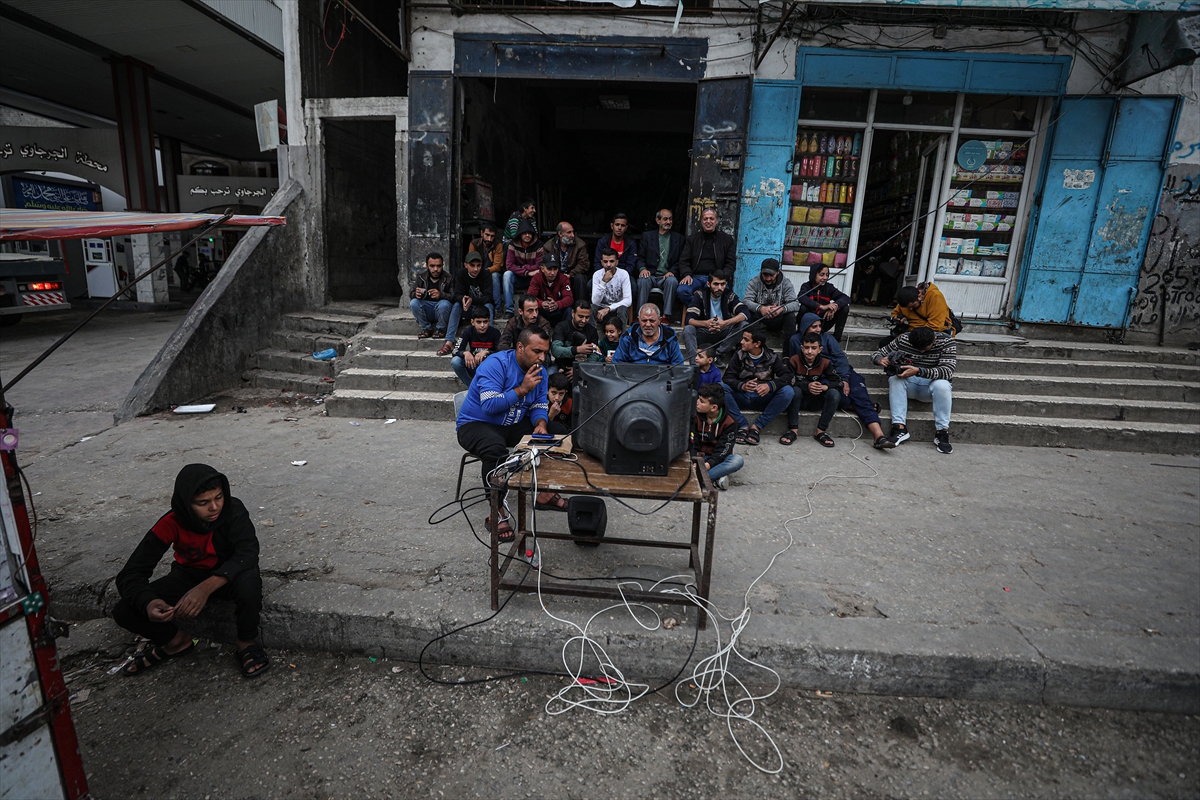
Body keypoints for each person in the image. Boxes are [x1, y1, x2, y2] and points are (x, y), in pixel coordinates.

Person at [112, 464, 267, 678]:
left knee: (249, 583)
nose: (214, 507)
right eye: (203, 503)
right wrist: (148, 602)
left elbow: (247, 553)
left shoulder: (233, 510)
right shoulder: (171, 523)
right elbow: (130, 574)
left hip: (230, 575)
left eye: (219, 497)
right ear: (186, 504)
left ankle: (246, 642)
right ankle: (177, 642)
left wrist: (204, 589)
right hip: (188, 575)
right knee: (124, 610)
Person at [456, 328, 569, 539]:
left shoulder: (541, 371)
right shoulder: (495, 364)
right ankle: (496, 511)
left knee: (558, 434)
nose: (542, 358)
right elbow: (489, 405)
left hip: (512, 422)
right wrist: (523, 389)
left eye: (545, 352)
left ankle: (545, 494)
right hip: (476, 423)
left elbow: (538, 404)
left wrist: (541, 423)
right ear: (520, 347)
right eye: (537, 351)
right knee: (495, 450)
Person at [790, 313, 896, 450]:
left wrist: (844, 378)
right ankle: (858, 407)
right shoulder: (796, 340)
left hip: (843, 372)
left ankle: (879, 436)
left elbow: (841, 359)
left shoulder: (828, 338)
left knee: (859, 393)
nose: (818, 329)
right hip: (823, 374)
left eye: (819, 326)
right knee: (840, 398)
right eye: (814, 326)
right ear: (805, 327)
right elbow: (796, 362)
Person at [873, 326, 957, 454]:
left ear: (934, 339)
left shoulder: (946, 342)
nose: (921, 351)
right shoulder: (904, 339)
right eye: (917, 348)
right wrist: (880, 359)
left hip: (930, 386)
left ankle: (942, 432)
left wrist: (918, 371)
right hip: (909, 384)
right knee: (894, 379)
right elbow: (877, 353)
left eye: (925, 348)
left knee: (943, 385)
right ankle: (899, 427)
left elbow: (947, 371)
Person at [722, 329, 794, 446]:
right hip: (742, 397)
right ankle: (742, 425)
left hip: (763, 398)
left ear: (757, 343)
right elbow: (727, 378)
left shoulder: (771, 357)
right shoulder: (739, 355)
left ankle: (756, 427)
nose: (741, 342)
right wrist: (742, 386)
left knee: (788, 391)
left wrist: (770, 385)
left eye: (746, 340)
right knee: (721, 387)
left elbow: (789, 377)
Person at [784, 332, 843, 448]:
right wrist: (807, 386)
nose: (809, 351)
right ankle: (793, 430)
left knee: (834, 394)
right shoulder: (794, 360)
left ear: (820, 349)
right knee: (794, 391)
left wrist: (825, 387)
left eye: (814, 348)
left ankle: (820, 431)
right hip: (798, 400)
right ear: (802, 348)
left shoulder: (825, 362)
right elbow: (786, 381)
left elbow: (839, 382)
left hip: (815, 400)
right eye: (806, 348)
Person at [682, 270, 748, 364]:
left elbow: (745, 313)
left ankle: (718, 354)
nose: (719, 288)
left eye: (722, 284)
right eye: (716, 284)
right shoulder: (700, 295)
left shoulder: (729, 295)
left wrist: (724, 323)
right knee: (688, 329)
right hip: (704, 332)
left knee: (744, 325)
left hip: (724, 333)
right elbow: (689, 319)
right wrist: (706, 323)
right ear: (708, 284)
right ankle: (694, 363)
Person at [677, 207, 735, 308]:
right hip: (695, 277)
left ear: (716, 220)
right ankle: (702, 310)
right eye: (705, 219)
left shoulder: (727, 239)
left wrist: (722, 277)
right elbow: (683, 260)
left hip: (716, 278)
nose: (708, 221)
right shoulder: (692, 239)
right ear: (701, 221)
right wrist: (686, 274)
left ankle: (703, 311)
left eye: (711, 218)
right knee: (682, 290)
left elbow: (731, 263)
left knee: (725, 293)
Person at [440, 251, 495, 355]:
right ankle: (449, 341)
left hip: (481, 309)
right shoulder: (461, 274)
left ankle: (487, 341)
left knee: (489, 306)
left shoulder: (486, 274)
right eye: (472, 265)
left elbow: (489, 297)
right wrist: (463, 299)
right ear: (466, 265)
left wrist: (472, 300)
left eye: (479, 265)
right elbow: (456, 295)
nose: (476, 269)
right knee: (457, 305)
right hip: (468, 309)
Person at [691, 383, 742, 491]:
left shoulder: (730, 422)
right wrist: (695, 461)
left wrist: (707, 465)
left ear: (713, 407)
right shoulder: (694, 416)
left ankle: (698, 478)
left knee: (737, 460)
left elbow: (723, 449)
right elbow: (692, 442)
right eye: (698, 399)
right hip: (698, 456)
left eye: (702, 401)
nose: (697, 402)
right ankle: (715, 478)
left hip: (718, 459)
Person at [743, 258, 800, 353]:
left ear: (778, 272)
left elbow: (795, 304)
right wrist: (760, 308)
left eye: (771, 275)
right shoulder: (754, 282)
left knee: (790, 316)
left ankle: (787, 354)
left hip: (778, 319)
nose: (768, 278)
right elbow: (746, 301)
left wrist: (781, 309)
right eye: (765, 275)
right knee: (746, 313)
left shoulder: (786, 283)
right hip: (760, 318)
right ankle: (746, 350)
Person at [635, 208, 683, 321]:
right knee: (643, 280)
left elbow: (681, 260)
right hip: (650, 275)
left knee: (672, 281)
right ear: (658, 220)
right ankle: (639, 315)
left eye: (670, 219)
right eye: (665, 219)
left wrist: (672, 271)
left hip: (666, 277)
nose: (668, 222)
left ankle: (666, 316)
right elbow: (640, 257)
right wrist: (642, 269)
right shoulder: (647, 236)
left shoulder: (679, 239)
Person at [613, 304, 685, 365]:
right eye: (644, 320)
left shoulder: (670, 338)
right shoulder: (628, 337)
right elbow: (617, 363)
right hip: (633, 376)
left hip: (662, 376)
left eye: (652, 321)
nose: (648, 324)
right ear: (639, 320)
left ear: (659, 321)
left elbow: (678, 366)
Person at [797, 264, 852, 342]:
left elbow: (846, 298)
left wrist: (834, 307)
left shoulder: (829, 287)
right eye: (822, 274)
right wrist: (821, 306)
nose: (825, 278)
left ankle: (836, 339)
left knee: (845, 308)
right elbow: (801, 297)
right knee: (803, 308)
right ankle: (801, 334)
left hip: (823, 321)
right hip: (809, 323)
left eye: (827, 275)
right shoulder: (806, 286)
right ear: (814, 275)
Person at [450, 305, 501, 387]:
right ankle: (472, 387)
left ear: (489, 321)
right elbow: (455, 351)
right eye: (478, 322)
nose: (482, 325)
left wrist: (487, 352)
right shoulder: (468, 332)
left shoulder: (495, 333)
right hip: (474, 364)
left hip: (490, 367)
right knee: (455, 361)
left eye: (485, 322)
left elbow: (501, 353)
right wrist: (465, 353)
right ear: (472, 322)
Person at [543, 221, 591, 306]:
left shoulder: (580, 245)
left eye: (573, 232)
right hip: (555, 275)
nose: (572, 235)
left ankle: (581, 307)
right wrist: (556, 274)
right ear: (560, 234)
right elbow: (543, 264)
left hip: (572, 275)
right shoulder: (548, 246)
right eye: (569, 232)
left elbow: (584, 264)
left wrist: (570, 275)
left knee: (580, 278)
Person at [409, 252, 454, 340]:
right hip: (427, 309)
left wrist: (441, 294)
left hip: (442, 311)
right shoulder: (421, 277)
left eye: (439, 266)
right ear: (427, 265)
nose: (435, 269)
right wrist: (416, 294)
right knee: (414, 303)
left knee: (444, 304)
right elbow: (411, 293)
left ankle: (441, 329)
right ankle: (426, 329)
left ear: (442, 266)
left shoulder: (449, 278)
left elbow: (454, 297)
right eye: (432, 266)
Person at [551, 299, 601, 376]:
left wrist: (579, 369)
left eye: (587, 317)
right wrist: (577, 349)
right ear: (573, 313)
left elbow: (595, 354)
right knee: (549, 374)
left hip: (583, 367)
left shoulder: (592, 331)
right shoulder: (561, 327)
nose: (584, 320)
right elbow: (556, 350)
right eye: (581, 316)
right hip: (562, 365)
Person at [503, 219, 542, 316]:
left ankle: (536, 308)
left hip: (533, 278)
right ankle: (509, 310)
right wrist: (526, 272)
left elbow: (539, 265)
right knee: (507, 275)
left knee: (541, 273)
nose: (527, 235)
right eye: (524, 233)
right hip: (518, 277)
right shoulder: (512, 245)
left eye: (529, 233)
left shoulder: (539, 245)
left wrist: (524, 267)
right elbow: (509, 265)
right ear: (520, 234)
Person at [528, 254, 574, 327]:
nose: (552, 273)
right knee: (532, 308)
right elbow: (530, 297)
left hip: (558, 312)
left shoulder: (563, 279)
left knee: (568, 310)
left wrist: (558, 304)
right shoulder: (536, 278)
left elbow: (569, 298)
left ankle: (566, 332)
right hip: (542, 312)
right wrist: (541, 303)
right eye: (549, 269)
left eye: (555, 269)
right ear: (542, 269)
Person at [469, 223, 505, 315]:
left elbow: (497, 266)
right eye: (487, 235)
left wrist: (485, 272)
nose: (489, 239)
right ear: (482, 233)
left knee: (495, 276)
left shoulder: (498, 245)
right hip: (477, 271)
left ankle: (497, 309)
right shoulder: (474, 244)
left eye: (492, 236)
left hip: (490, 272)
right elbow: (471, 261)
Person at [590, 249, 633, 323]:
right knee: (592, 308)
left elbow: (628, 300)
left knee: (623, 309)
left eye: (611, 261)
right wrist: (603, 282)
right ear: (601, 262)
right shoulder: (597, 275)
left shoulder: (623, 274)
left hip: (617, 308)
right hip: (601, 310)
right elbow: (595, 302)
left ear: (617, 262)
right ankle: (592, 330)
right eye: (605, 261)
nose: (608, 264)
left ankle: (622, 331)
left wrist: (609, 308)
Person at [593, 213, 638, 278]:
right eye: (617, 224)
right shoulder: (603, 242)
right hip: (604, 274)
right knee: (590, 283)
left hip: (624, 276)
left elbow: (631, 265)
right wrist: (604, 275)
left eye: (622, 225)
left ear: (626, 228)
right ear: (612, 226)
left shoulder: (631, 243)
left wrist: (620, 277)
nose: (619, 228)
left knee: (633, 283)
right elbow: (597, 263)